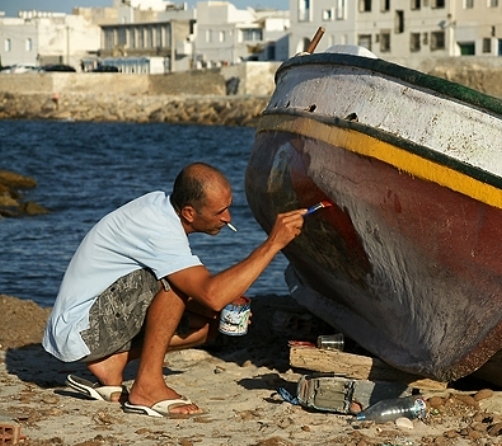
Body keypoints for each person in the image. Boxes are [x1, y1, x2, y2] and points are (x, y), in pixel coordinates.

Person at [43, 162, 306, 417]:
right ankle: (147, 388)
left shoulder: (163, 211)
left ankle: (112, 362)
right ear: (189, 213)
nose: (228, 218)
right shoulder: (158, 228)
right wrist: (273, 244)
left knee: (207, 325)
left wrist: (216, 305)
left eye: (229, 208)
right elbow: (210, 294)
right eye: (220, 212)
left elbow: (209, 300)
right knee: (176, 285)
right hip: (79, 330)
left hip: (94, 325)